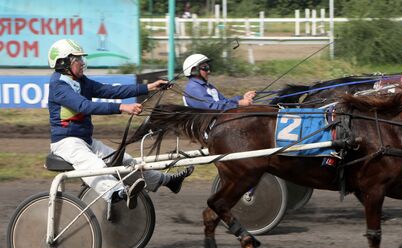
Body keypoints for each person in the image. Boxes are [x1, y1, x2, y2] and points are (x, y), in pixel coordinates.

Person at [47, 39, 194, 209]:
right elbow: (84, 106)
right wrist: (122, 107)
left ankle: (167, 181)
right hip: (66, 143)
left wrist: (148, 87)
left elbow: (110, 90)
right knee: (96, 166)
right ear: (64, 63)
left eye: (81, 59)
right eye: (77, 60)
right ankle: (115, 193)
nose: (82, 63)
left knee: (126, 160)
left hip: (85, 141)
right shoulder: (58, 85)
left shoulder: (81, 81)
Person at [182, 53, 256, 110]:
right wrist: (239, 103)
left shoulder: (207, 86)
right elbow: (212, 107)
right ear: (194, 71)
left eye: (209, 67)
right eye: (205, 68)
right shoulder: (193, 88)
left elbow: (223, 101)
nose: (209, 71)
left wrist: (242, 98)